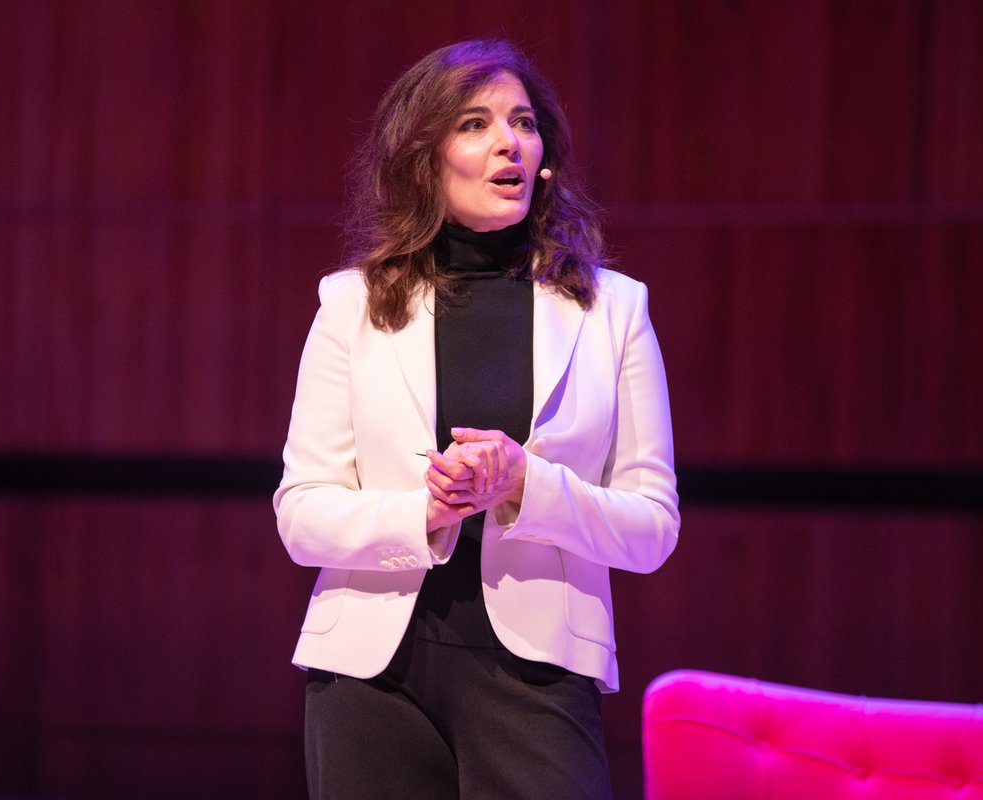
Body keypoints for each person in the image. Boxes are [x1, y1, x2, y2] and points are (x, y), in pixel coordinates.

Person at [273, 38, 679, 800]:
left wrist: (526, 484)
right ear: (424, 159)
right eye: (474, 124)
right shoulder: (350, 305)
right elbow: (301, 515)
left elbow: (653, 527)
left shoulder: (614, 310)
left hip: (539, 673)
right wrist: (425, 511)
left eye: (523, 123)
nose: (508, 142)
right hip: (369, 675)